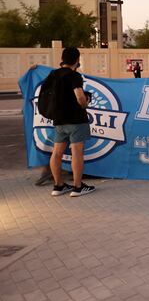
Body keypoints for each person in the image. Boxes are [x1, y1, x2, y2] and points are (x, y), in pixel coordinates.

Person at [47, 47, 96, 197]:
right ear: (77, 59)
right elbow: (80, 97)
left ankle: (58, 185)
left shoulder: (53, 75)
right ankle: (77, 187)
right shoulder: (74, 76)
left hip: (59, 120)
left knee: (56, 153)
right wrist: (85, 104)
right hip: (75, 120)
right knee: (77, 153)